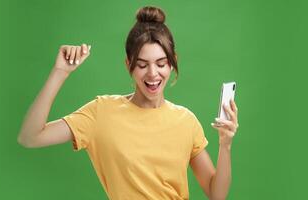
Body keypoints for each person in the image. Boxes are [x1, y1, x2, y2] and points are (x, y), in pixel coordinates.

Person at [17, 6, 239, 200]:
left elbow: (216, 193)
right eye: (142, 65)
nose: (153, 74)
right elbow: (30, 137)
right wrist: (60, 72)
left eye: (161, 63)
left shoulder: (186, 121)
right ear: (128, 64)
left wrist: (225, 145)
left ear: (173, 63)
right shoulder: (101, 112)